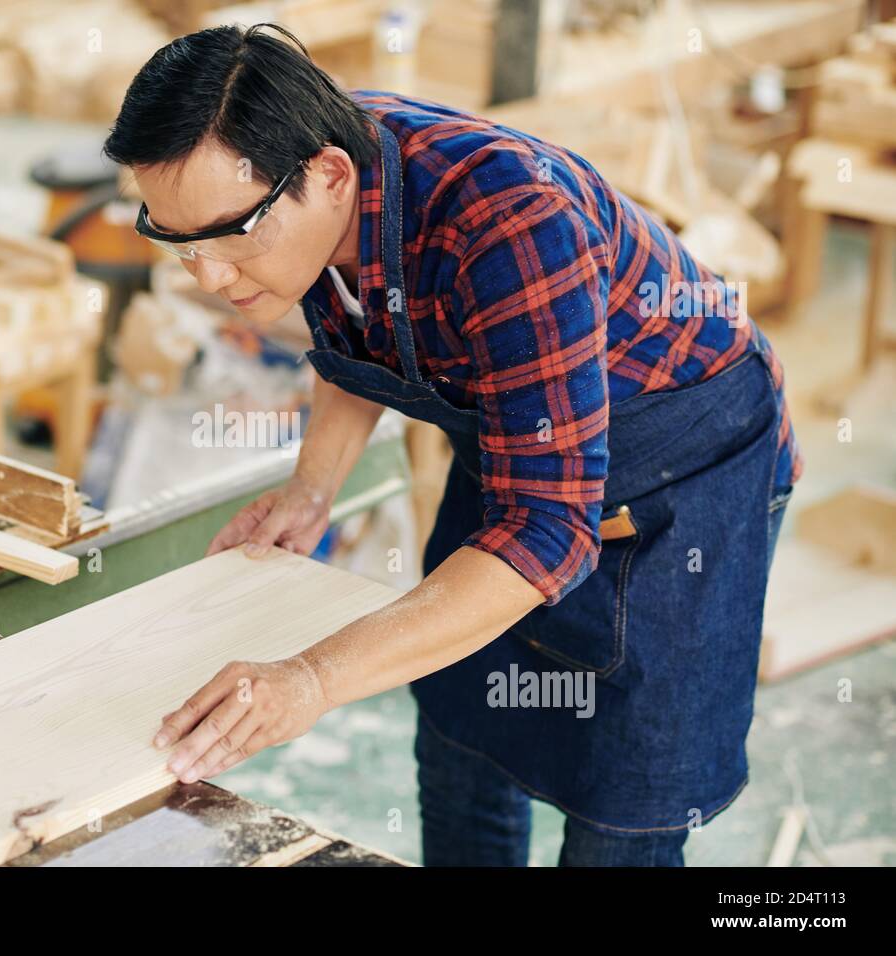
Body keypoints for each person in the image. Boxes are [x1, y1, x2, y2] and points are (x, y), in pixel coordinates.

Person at [102, 23, 802, 866]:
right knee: (465, 743)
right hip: (523, 441)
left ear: (327, 178)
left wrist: (314, 680)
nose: (211, 277)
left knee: (626, 813)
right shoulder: (311, 172)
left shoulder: (510, 225)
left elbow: (547, 530)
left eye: (231, 236)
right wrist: (311, 490)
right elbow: (356, 338)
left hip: (683, 467)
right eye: (180, 242)